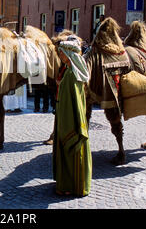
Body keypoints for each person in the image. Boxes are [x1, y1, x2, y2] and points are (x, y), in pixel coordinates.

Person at [53, 34, 91, 197]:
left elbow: (72, 103)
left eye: (61, 53)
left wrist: (66, 125)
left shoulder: (70, 75)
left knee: (70, 150)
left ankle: (70, 185)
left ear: (68, 54)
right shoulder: (71, 71)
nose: (60, 56)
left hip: (69, 120)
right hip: (66, 116)